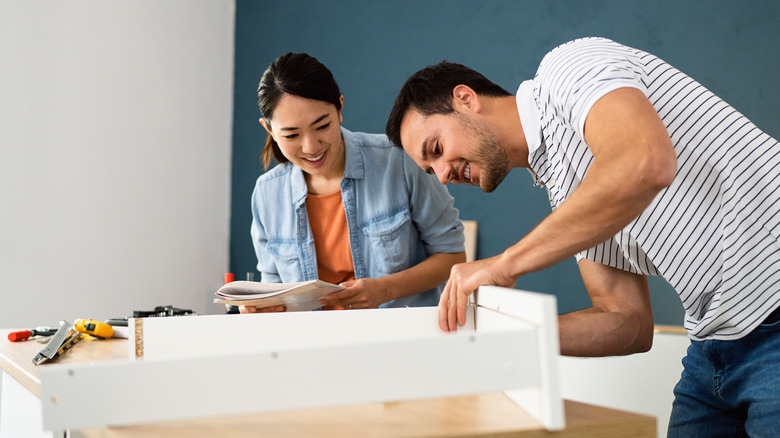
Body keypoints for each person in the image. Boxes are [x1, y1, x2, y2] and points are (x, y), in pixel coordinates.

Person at [386, 37, 780, 437]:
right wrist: (508, 333)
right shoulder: (567, 192)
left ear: (466, 99)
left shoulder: (567, 67)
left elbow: (646, 160)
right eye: (429, 169)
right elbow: (626, 320)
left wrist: (506, 263)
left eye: (436, 148)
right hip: (713, 345)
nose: (443, 175)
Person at [247, 52, 465, 314]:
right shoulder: (267, 194)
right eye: (292, 134)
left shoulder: (398, 161)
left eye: (322, 125)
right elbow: (273, 287)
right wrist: (263, 308)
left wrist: (384, 290)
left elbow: (452, 257)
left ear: (340, 108)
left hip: (398, 338)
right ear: (269, 129)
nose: (311, 147)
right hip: (314, 345)